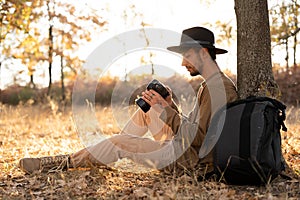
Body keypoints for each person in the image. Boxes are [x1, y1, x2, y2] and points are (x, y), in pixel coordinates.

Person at [19, 27, 238, 176]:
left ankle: (64, 163)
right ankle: (112, 152)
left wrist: (166, 111)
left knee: (119, 142)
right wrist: (169, 106)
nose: (182, 63)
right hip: (183, 149)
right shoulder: (210, 84)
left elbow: (201, 140)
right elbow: (197, 131)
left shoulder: (218, 88)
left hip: (191, 163)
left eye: (187, 55)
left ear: (203, 52)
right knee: (146, 110)